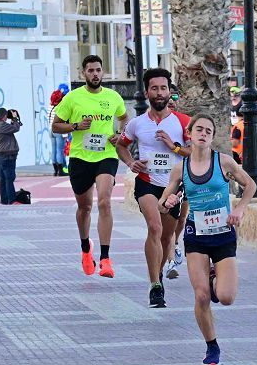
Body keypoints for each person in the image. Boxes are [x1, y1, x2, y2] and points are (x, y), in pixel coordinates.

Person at [159, 116, 256, 365]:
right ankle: (212, 346)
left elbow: (251, 185)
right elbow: (162, 202)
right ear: (189, 134)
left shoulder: (223, 161)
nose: (203, 134)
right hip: (196, 236)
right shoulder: (181, 168)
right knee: (201, 296)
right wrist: (167, 202)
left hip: (223, 235)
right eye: (199, 129)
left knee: (225, 297)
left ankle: (215, 281)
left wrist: (240, 209)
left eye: (208, 131)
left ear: (213, 136)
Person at [117, 68, 191, 308]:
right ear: (147, 91)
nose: (159, 93)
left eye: (163, 88)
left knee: (168, 236)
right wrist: (130, 163)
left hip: (174, 188)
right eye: (154, 88)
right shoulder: (137, 123)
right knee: (155, 227)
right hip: (147, 184)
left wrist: (174, 146)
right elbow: (121, 145)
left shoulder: (182, 122)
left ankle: (158, 274)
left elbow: (198, 152)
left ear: (170, 91)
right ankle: (155, 286)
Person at [51, 55, 129, 278]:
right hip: (80, 158)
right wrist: (75, 125)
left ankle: (105, 258)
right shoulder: (73, 98)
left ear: (102, 72)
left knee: (104, 202)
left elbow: (124, 118)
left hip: (106, 155)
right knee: (85, 208)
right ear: (83, 73)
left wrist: (119, 134)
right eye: (90, 71)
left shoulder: (113, 97)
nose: (95, 74)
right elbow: (56, 126)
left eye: (98, 70)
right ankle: (86, 249)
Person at [165, 85, 191, 280]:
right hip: (164, 179)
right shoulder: (156, 122)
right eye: (168, 96)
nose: (172, 100)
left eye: (175, 96)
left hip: (186, 175)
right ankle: (171, 261)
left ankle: (174, 243)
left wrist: (174, 148)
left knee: (181, 218)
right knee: (169, 219)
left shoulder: (184, 122)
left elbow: (192, 151)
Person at [0, 108, 22, 205]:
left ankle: (4, 200)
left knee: (4, 179)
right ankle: (12, 200)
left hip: (1, 155)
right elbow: (16, 128)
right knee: (9, 178)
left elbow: (11, 128)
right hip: (7, 156)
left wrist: (13, 121)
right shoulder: (2, 126)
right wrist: (15, 118)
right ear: (4, 116)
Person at [48, 90, 68, 176]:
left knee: (54, 149)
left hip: (51, 130)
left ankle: (55, 170)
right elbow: (62, 120)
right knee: (60, 150)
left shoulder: (50, 107)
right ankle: (61, 170)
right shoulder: (59, 108)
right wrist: (65, 134)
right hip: (59, 130)